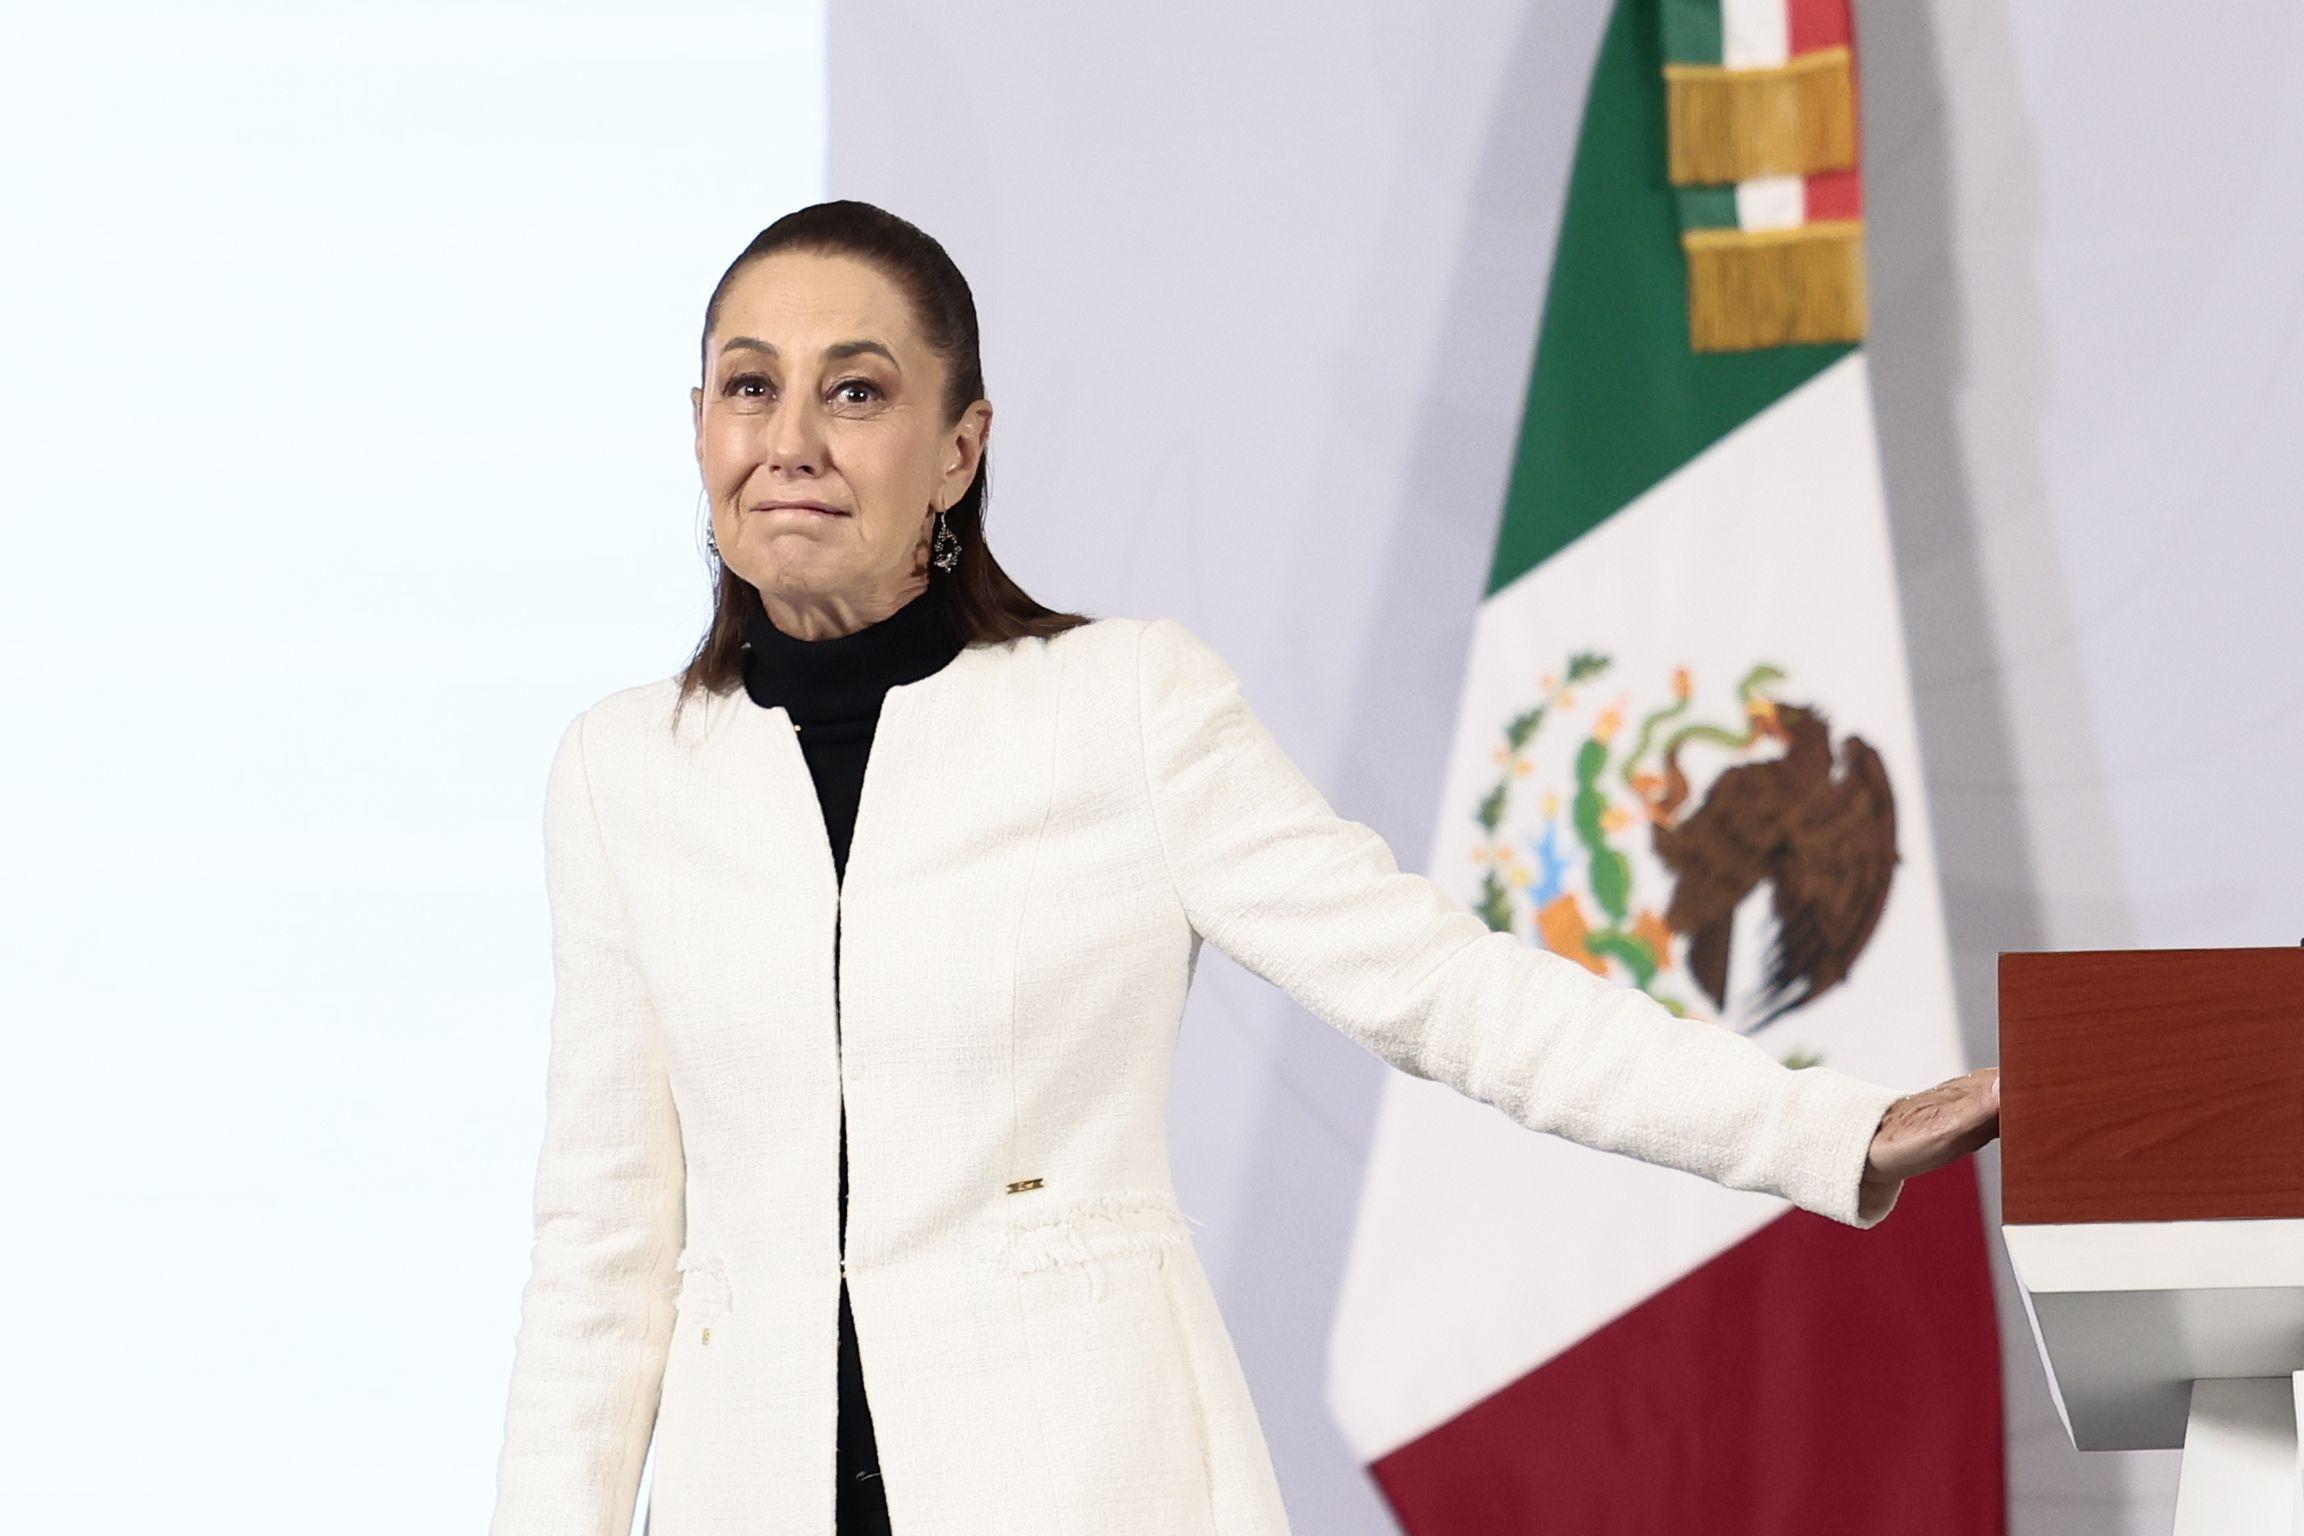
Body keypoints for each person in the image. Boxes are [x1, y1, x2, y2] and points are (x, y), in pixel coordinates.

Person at [485, 200, 2002, 1536]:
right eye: (751, 388)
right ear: (700, 427)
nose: (792, 439)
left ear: (959, 449)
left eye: (856, 391)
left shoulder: (1123, 705)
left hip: (1086, 1487)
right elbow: (606, 1254)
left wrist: (1827, 1129)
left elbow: (1442, 990)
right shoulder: (619, 774)